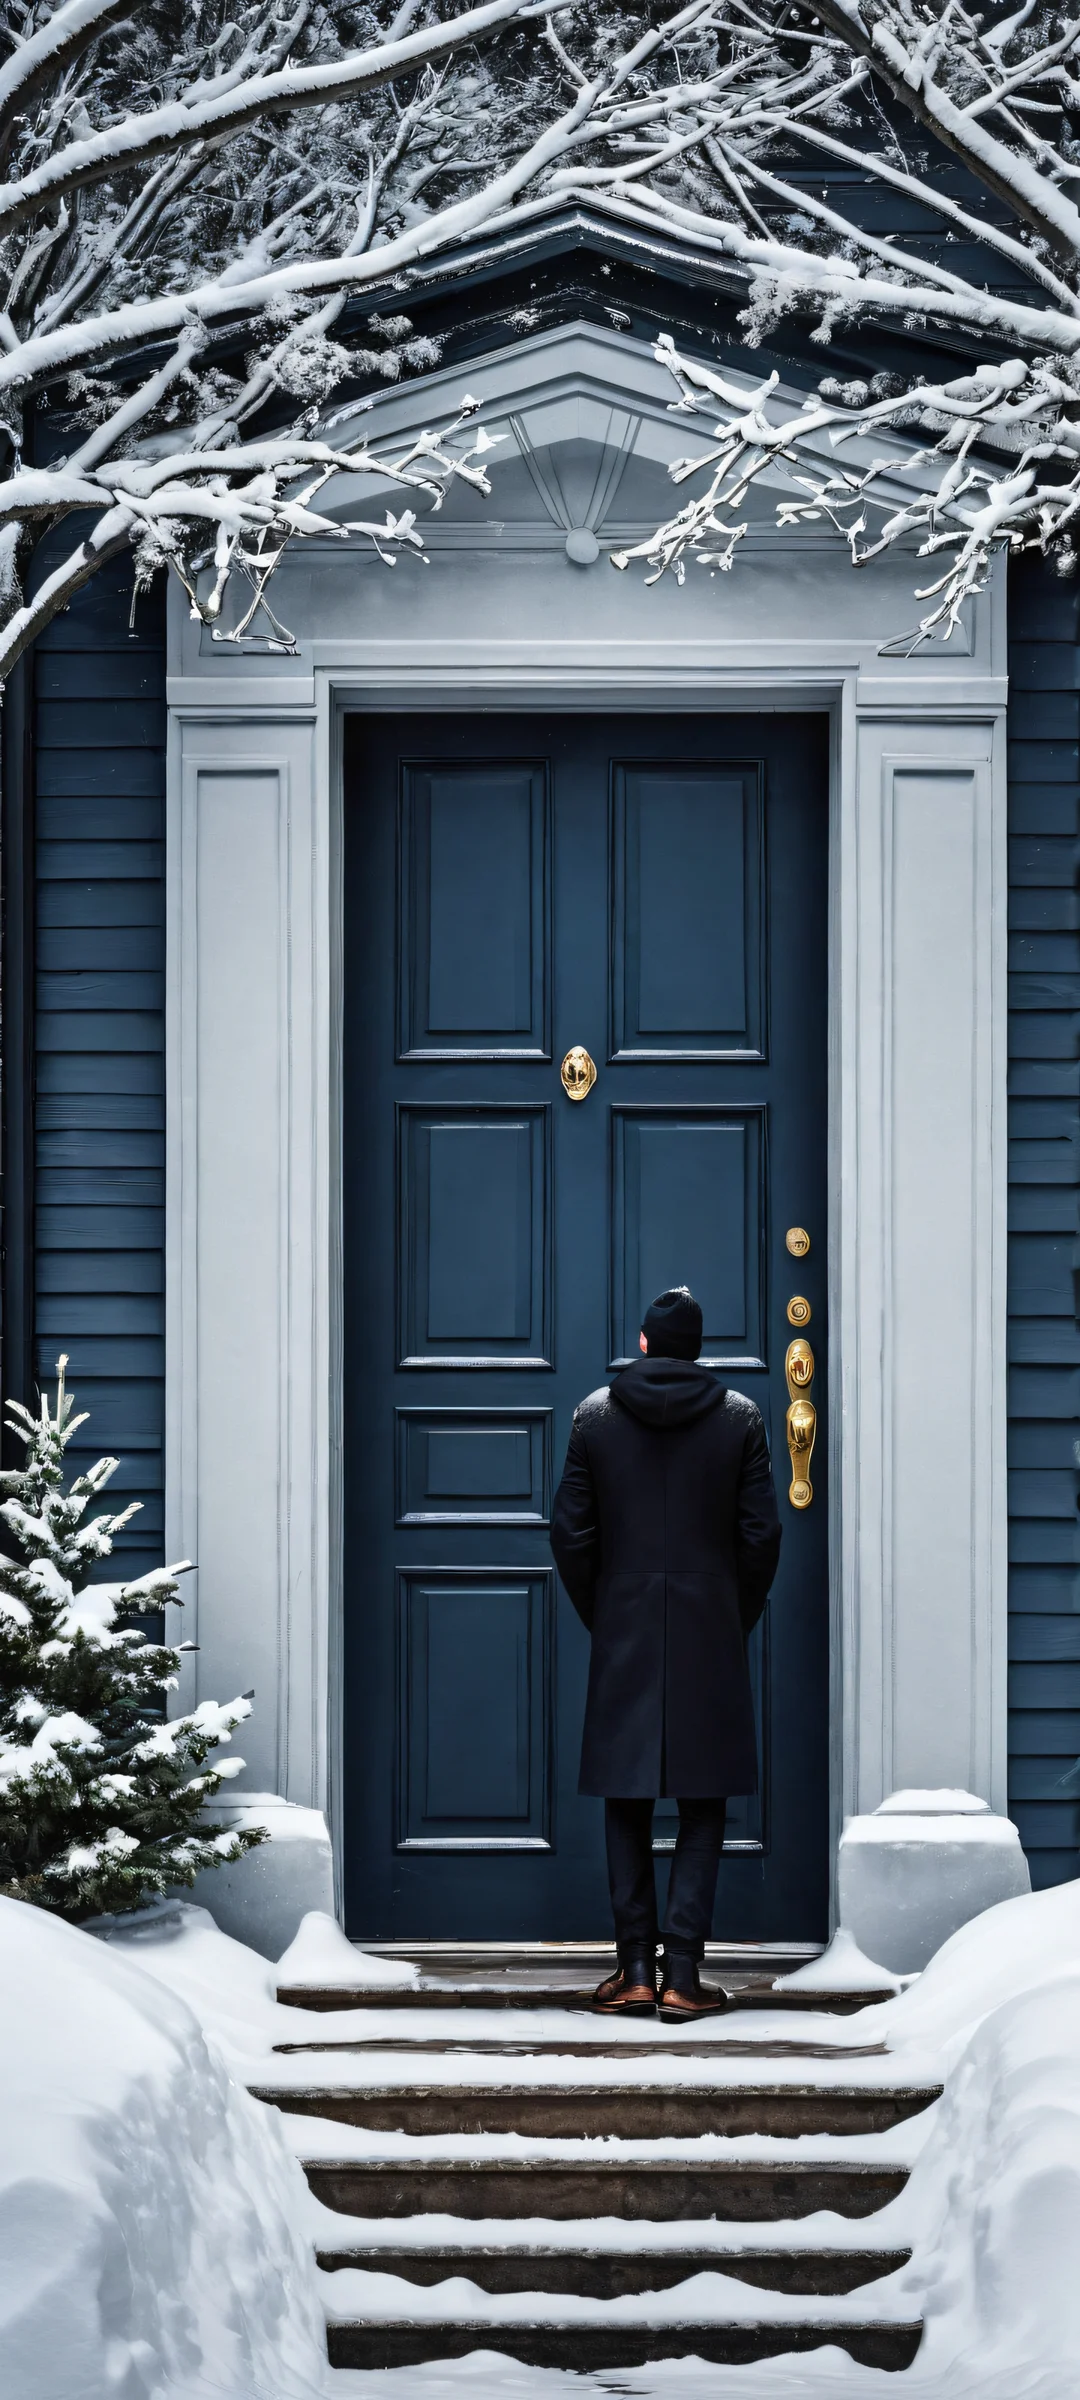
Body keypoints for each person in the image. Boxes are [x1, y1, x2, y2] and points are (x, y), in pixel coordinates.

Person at [550, 1286, 782, 2021]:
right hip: (708, 1620)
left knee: (627, 1796)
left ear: (645, 1344)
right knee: (703, 1798)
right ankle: (683, 1977)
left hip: (624, 1619)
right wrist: (728, 1612)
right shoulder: (738, 1417)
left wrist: (608, 1610)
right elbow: (761, 1536)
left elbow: (571, 1534)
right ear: (696, 1348)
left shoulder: (595, 1416)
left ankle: (634, 1972)